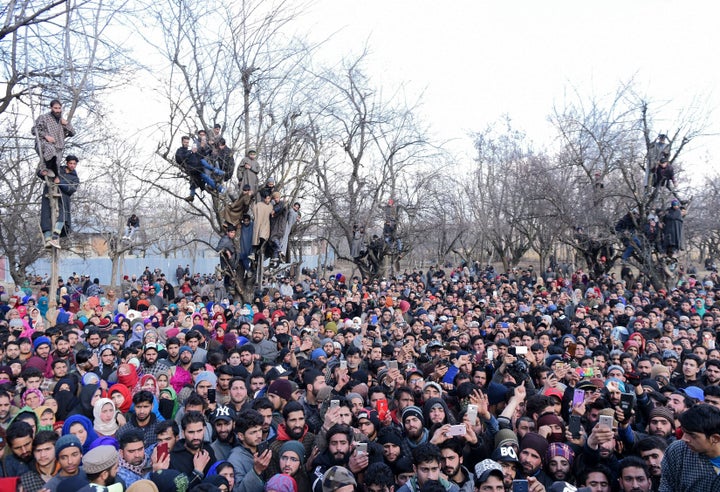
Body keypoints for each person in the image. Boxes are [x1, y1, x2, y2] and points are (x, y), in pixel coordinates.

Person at [659, 404, 720, 491]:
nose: (684, 439)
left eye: (692, 435)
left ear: (715, 438)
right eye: (684, 432)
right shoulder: (678, 450)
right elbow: (666, 485)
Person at [40, 154, 80, 249]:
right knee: (46, 215)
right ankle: (48, 238)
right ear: (67, 163)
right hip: (49, 194)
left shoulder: (74, 178)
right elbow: (46, 174)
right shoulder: (58, 170)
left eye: (74, 164)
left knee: (62, 215)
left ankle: (55, 237)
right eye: (70, 163)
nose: (72, 165)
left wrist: (60, 182)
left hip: (63, 197)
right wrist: (42, 173)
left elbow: (72, 189)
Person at [32, 99, 75, 178]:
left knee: (55, 171)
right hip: (44, 143)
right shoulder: (44, 117)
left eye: (59, 108)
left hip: (58, 147)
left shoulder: (62, 121)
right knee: (50, 150)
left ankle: (49, 176)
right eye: (55, 108)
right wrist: (46, 136)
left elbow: (73, 133)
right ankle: (43, 171)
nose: (58, 110)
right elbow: (34, 130)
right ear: (51, 108)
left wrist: (66, 124)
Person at [175, 135, 225, 202]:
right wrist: (191, 152)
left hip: (197, 169)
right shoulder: (180, 151)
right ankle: (221, 188)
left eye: (187, 142)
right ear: (182, 142)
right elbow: (179, 158)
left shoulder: (190, 151)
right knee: (200, 179)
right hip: (192, 169)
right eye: (185, 142)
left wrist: (207, 149)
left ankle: (221, 189)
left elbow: (200, 156)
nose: (186, 144)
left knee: (206, 179)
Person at [217, 223, 238, 290]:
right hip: (227, 261)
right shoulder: (225, 239)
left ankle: (228, 285)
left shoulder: (230, 239)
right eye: (231, 232)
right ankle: (227, 286)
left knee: (229, 274)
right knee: (229, 273)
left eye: (234, 232)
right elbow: (218, 248)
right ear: (227, 232)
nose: (233, 234)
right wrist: (226, 251)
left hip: (231, 259)